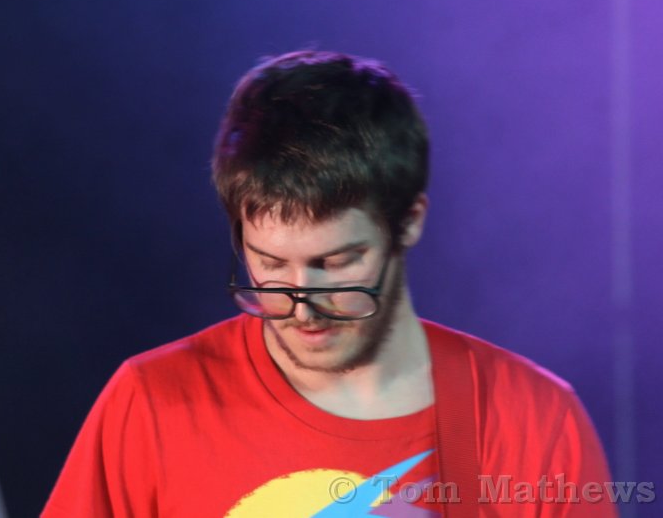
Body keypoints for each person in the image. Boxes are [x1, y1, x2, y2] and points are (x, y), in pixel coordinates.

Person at [42, 51, 616, 517]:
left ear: (409, 223)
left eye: (337, 263)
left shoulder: (533, 422)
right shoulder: (151, 403)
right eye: (269, 263)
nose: (302, 307)